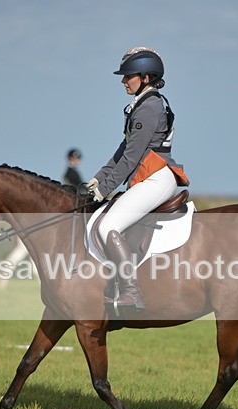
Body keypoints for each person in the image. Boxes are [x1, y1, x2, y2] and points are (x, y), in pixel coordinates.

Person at [87, 47, 189, 310]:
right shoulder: (142, 105)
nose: (123, 81)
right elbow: (123, 149)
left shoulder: (149, 108)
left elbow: (131, 158)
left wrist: (106, 189)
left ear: (145, 77)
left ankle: (132, 292)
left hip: (156, 178)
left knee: (107, 227)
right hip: (148, 177)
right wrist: (99, 179)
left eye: (128, 76)